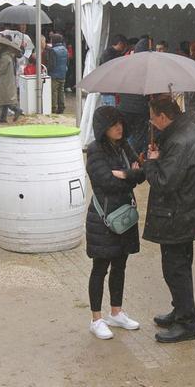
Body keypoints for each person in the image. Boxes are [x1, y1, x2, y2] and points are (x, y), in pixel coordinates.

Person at [144, 97, 195, 343]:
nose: (150, 120)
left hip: (178, 215)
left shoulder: (179, 141)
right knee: (180, 267)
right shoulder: (189, 129)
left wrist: (151, 162)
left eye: (152, 116)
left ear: (163, 117)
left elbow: (164, 182)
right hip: (188, 212)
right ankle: (180, 310)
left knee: (175, 270)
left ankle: (187, 323)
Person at [85, 106, 145, 340]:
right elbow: (106, 182)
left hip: (124, 215)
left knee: (120, 264)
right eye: (113, 124)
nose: (119, 128)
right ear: (103, 128)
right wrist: (129, 174)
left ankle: (116, 312)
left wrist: (126, 175)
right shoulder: (95, 150)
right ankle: (96, 318)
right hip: (104, 218)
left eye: (120, 122)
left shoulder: (123, 146)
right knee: (100, 268)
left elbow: (141, 174)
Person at [117, 38, 151, 154]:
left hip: (124, 106)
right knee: (138, 137)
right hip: (140, 108)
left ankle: (124, 156)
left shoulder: (126, 63)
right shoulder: (147, 66)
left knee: (124, 135)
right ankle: (133, 159)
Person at [0, 48, 22, 123]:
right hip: (6, 81)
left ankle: (16, 110)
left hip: (5, 82)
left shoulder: (5, 57)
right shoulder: (6, 56)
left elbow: (1, 70)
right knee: (4, 99)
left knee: (6, 99)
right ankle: (3, 117)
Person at [99, 35, 127, 106]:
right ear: (120, 43)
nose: (124, 48)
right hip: (109, 90)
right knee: (111, 112)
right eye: (124, 45)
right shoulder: (109, 54)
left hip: (106, 89)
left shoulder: (110, 53)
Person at [47, 33, 69, 114]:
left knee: (54, 91)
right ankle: (61, 107)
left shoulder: (53, 50)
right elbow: (67, 62)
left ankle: (54, 107)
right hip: (62, 73)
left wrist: (48, 71)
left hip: (54, 74)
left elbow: (52, 64)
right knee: (61, 90)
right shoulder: (65, 49)